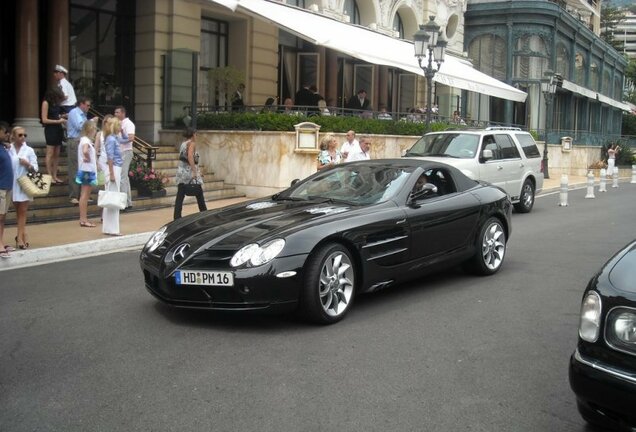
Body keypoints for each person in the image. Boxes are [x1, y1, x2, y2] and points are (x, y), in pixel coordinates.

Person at [9, 126, 38, 249]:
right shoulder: (8, 149)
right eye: (20, 135)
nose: (23, 137)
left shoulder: (29, 150)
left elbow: (35, 169)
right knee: (17, 211)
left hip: (24, 183)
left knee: (23, 211)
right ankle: (22, 233)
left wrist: (27, 164)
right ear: (13, 136)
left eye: (24, 135)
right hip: (11, 183)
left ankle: (20, 237)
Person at [174, 128, 207, 220]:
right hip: (189, 171)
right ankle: (204, 213)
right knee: (199, 193)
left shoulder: (183, 144)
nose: (196, 136)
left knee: (180, 194)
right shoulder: (192, 144)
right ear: (193, 134)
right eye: (196, 134)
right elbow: (190, 157)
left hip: (181, 171)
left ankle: (177, 216)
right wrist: (194, 171)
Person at [67, 96, 94, 204]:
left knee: (84, 168)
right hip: (75, 141)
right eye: (87, 105)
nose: (88, 107)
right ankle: (74, 195)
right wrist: (91, 121)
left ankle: (83, 194)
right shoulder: (74, 112)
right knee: (74, 168)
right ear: (81, 104)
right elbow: (80, 127)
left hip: (82, 141)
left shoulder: (83, 115)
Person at [40, 87, 67, 184]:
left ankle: (55, 175)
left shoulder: (56, 104)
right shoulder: (46, 103)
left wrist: (62, 117)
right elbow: (44, 119)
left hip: (58, 129)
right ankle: (49, 175)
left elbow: (56, 115)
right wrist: (58, 121)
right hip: (50, 129)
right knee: (50, 153)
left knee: (57, 154)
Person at [102, 117, 124, 236]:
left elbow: (126, 138)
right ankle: (113, 229)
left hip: (115, 168)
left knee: (111, 198)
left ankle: (108, 227)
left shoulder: (113, 138)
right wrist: (111, 173)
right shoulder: (111, 139)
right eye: (119, 126)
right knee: (113, 198)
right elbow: (110, 157)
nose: (121, 128)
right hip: (114, 168)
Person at [76, 120, 98, 227]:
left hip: (84, 169)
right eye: (94, 129)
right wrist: (87, 157)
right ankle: (84, 219)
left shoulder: (84, 140)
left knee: (83, 195)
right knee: (85, 195)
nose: (95, 131)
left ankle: (83, 219)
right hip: (87, 170)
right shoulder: (86, 141)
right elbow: (85, 151)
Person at [114, 106, 135, 209]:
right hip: (121, 152)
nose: (116, 114)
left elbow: (131, 138)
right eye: (115, 112)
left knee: (122, 177)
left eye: (117, 112)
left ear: (123, 113)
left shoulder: (128, 124)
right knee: (124, 178)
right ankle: (127, 202)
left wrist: (120, 140)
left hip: (126, 151)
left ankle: (124, 203)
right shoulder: (119, 124)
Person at [0, 122, 14, 258]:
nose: (7, 135)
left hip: (7, 186)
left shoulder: (4, 147)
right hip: (0, 187)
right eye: (4, 132)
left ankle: (1, 241)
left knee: (2, 217)